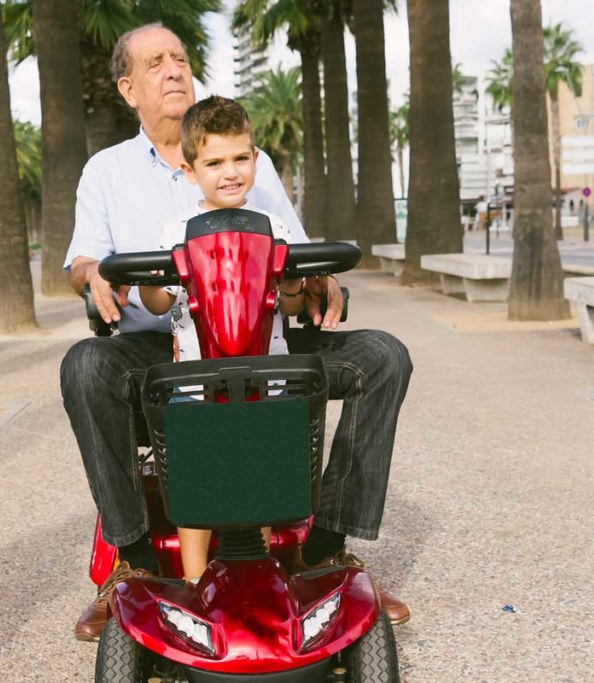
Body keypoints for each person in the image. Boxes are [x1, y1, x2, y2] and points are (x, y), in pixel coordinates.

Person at [61, 23, 413, 642]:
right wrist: (93, 275)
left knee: (382, 357)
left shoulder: (256, 162)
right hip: (167, 348)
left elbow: (296, 254)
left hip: (264, 335)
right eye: (155, 63)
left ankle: (327, 549)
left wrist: (318, 280)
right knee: (86, 365)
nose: (173, 70)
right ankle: (134, 566)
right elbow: (85, 262)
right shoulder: (106, 171)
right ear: (128, 88)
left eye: (180, 58)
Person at [138, 95, 306, 583]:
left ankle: (263, 571)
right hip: (197, 380)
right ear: (191, 172)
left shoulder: (275, 230)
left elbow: (291, 305)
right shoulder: (177, 232)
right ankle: (193, 580)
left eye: (239, 159)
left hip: (268, 376)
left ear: (255, 160)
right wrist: (151, 276)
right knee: (198, 477)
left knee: (267, 471)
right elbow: (156, 303)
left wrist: (293, 278)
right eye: (214, 162)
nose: (229, 172)